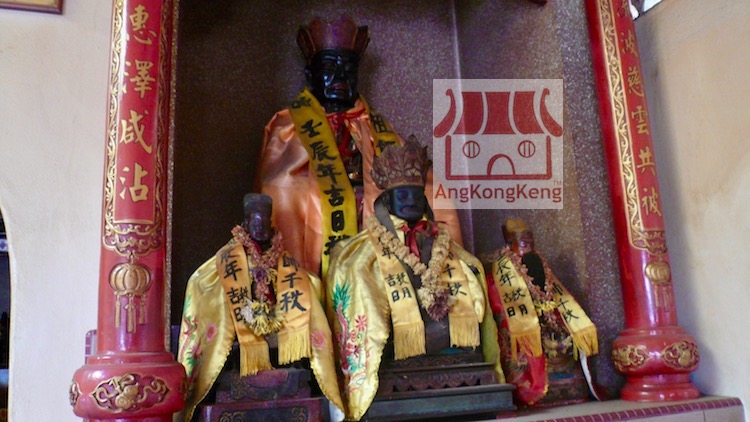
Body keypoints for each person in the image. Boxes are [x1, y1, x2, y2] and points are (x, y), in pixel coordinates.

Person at [253, 15, 462, 279]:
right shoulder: (289, 124)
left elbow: (418, 178)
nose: (340, 76)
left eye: (348, 69)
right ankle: (303, 283)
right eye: (329, 67)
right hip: (317, 210)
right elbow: (275, 183)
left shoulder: (375, 126)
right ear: (310, 75)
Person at [325, 138, 503, 420]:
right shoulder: (363, 250)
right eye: (403, 194)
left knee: (470, 272)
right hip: (397, 331)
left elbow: (468, 268)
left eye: (416, 194)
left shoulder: (439, 239)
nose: (411, 201)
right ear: (387, 200)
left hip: (439, 323)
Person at [176, 194, 343, 421]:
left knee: (309, 285)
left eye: (264, 221)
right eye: (256, 221)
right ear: (246, 223)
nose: (260, 227)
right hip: (241, 322)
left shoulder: (282, 259)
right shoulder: (231, 258)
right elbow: (205, 285)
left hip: (276, 321)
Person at [487, 218, 598, 406]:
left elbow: (557, 294)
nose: (527, 246)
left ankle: (572, 384)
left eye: (530, 242)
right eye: (523, 243)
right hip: (527, 321)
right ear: (511, 242)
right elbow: (501, 305)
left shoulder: (538, 262)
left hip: (549, 315)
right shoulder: (501, 270)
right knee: (519, 338)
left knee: (566, 334)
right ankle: (533, 386)